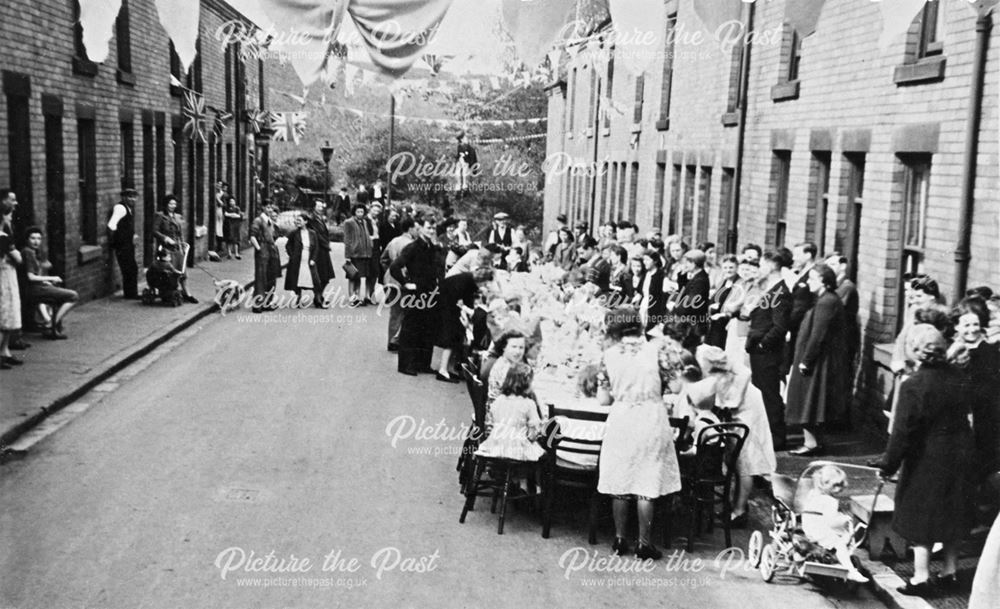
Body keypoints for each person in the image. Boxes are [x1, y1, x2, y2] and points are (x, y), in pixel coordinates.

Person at [877, 325, 977, 598]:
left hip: (928, 456)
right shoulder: (959, 377)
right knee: (953, 510)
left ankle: (921, 577)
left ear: (915, 350)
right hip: (960, 452)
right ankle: (950, 571)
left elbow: (903, 432)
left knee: (922, 513)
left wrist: (888, 464)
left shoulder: (913, 385)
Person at [597, 307, 687, 560]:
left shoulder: (608, 355)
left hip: (622, 417)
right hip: (650, 416)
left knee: (621, 479)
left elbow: (603, 398)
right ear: (639, 325)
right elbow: (677, 386)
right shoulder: (660, 348)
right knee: (646, 480)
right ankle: (643, 543)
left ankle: (619, 538)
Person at [694, 345, 776, 526]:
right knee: (733, 458)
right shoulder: (701, 355)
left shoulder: (724, 365)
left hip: (747, 408)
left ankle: (739, 511)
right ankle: (735, 505)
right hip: (736, 408)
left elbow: (744, 374)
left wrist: (733, 400)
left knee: (744, 460)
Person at [786, 264, 849, 455]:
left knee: (808, 401)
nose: (807, 282)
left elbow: (818, 334)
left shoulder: (826, 302)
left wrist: (806, 360)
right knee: (809, 401)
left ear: (823, 281)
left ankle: (811, 443)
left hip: (817, 362)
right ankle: (813, 442)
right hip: (816, 360)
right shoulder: (824, 299)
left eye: (812, 278)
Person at [951, 300, 1000, 491]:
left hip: (983, 419)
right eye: (966, 325)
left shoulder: (990, 353)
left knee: (980, 465)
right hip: (958, 418)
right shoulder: (952, 349)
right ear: (957, 326)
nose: (972, 329)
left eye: (975, 324)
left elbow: (990, 390)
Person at [746, 249, 792, 451]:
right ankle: (767, 434)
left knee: (770, 394)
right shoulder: (771, 289)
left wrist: (764, 344)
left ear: (772, 266)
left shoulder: (781, 292)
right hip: (759, 351)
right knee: (763, 393)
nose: (759, 269)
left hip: (767, 353)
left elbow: (780, 327)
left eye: (762, 265)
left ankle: (777, 437)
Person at [800, 465, 869, 582]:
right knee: (841, 543)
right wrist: (845, 519)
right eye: (835, 486)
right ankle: (851, 571)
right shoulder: (830, 501)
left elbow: (819, 514)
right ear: (825, 484)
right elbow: (832, 522)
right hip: (819, 531)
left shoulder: (812, 494)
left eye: (840, 486)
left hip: (809, 526)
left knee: (839, 535)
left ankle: (835, 558)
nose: (838, 490)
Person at [389, 216, 440, 376]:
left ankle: (423, 363)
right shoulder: (412, 247)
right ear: (420, 229)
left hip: (430, 292)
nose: (431, 231)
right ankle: (406, 365)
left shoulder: (432, 247)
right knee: (411, 328)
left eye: (433, 228)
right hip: (415, 294)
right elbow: (395, 267)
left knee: (427, 328)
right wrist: (406, 283)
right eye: (428, 228)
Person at [475, 363, 546, 461]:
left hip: (496, 444)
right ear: (527, 384)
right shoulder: (529, 404)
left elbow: (491, 421)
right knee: (543, 453)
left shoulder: (499, 399)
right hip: (516, 450)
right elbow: (532, 435)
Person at [436, 267, 495, 383]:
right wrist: (466, 312)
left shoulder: (469, 279)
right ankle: (442, 371)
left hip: (446, 302)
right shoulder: (468, 282)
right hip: (446, 304)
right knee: (452, 336)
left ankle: (445, 369)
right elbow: (460, 299)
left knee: (454, 335)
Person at [22, 227, 79, 340]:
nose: (36, 241)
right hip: (33, 289)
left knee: (60, 295)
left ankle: (51, 325)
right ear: (27, 239)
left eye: (38, 238)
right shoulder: (28, 252)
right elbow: (30, 277)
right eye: (32, 238)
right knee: (73, 296)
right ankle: (51, 326)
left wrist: (45, 281)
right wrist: (52, 277)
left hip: (37, 287)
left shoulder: (33, 252)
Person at [380, 216, 417, 352]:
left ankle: (392, 340)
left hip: (390, 280)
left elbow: (383, 258)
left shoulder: (394, 241)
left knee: (394, 312)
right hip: (403, 280)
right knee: (404, 312)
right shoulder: (411, 244)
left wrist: (389, 270)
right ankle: (397, 340)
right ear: (411, 228)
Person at [152, 194, 197, 303]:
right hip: (165, 249)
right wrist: (165, 238)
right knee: (169, 271)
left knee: (182, 271)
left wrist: (182, 245)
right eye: (170, 203)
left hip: (177, 248)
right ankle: (168, 293)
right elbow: (154, 231)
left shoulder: (178, 216)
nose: (172, 206)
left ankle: (187, 293)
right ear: (166, 204)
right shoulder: (160, 215)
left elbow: (180, 233)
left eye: (174, 204)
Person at [786, 242, 818, 372]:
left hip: (801, 326)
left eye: (797, 255)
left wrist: (786, 325)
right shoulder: (801, 272)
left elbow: (801, 306)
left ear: (808, 255)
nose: (794, 258)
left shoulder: (813, 274)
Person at [826, 253, 859, 373]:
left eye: (833, 264)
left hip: (844, 338)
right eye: (827, 265)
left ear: (843, 266)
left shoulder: (847, 287)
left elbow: (832, 307)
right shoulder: (834, 285)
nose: (829, 268)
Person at [0, 200, 23, 369]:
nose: (11, 218)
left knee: (6, 316)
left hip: (6, 276)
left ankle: (5, 351)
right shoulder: (3, 238)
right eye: (9, 214)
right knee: (5, 315)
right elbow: (18, 258)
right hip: (4, 278)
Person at [667, 249, 710, 337]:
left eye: (687, 262)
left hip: (695, 323)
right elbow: (683, 290)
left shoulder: (700, 280)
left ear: (694, 264)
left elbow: (689, 302)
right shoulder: (697, 277)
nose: (685, 265)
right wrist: (682, 275)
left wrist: (674, 307)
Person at [107, 188, 140, 299]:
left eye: (134, 197)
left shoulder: (127, 209)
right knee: (129, 268)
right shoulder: (121, 208)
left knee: (131, 268)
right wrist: (116, 241)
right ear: (123, 198)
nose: (133, 199)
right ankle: (131, 294)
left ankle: (131, 293)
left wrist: (132, 235)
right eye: (130, 197)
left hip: (127, 244)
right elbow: (111, 225)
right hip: (123, 245)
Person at [249, 204, 281, 313]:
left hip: (272, 249)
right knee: (261, 277)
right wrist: (259, 249)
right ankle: (257, 304)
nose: (270, 210)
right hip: (263, 249)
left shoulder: (270, 221)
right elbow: (252, 236)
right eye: (267, 207)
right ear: (263, 208)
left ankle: (267, 302)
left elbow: (274, 236)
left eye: (271, 208)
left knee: (271, 277)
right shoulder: (258, 220)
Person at [283, 212, 320, 306]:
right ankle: (298, 297)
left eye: (299, 220)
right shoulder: (294, 233)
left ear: (306, 221)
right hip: (298, 259)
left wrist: (313, 259)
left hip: (309, 258)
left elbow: (316, 248)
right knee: (297, 278)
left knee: (315, 279)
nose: (297, 222)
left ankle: (318, 298)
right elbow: (288, 246)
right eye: (296, 220)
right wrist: (292, 255)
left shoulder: (312, 233)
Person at [343, 203, 374, 306]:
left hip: (364, 254)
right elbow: (347, 240)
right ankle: (352, 297)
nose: (360, 214)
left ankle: (357, 296)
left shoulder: (364, 222)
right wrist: (347, 256)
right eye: (358, 212)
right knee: (352, 276)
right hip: (354, 254)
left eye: (362, 211)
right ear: (354, 212)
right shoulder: (349, 222)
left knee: (360, 276)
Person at [305, 200, 334, 307]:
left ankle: (319, 295)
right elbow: (316, 234)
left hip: (324, 250)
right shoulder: (312, 219)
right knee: (320, 275)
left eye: (322, 206)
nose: (321, 208)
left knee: (326, 276)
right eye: (319, 206)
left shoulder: (320, 218)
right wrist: (326, 244)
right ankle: (318, 297)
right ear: (314, 207)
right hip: (318, 250)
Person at [706, 254, 739, 348]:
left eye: (731, 267)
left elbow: (737, 305)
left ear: (737, 268)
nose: (728, 270)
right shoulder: (722, 282)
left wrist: (724, 313)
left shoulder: (739, 284)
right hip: (715, 323)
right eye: (725, 267)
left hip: (727, 324)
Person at [638, 250, 666, 331]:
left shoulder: (660, 275)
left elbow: (661, 297)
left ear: (655, 261)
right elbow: (641, 291)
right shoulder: (646, 274)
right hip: (644, 305)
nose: (644, 262)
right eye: (644, 260)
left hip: (654, 308)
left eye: (647, 260)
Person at [222, 195, 243, 259]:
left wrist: (232, 215)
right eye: (230, 201)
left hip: (235, 226)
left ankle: (236, 253)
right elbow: (225, 214)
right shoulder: (227, 208)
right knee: (229, 239)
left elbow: (239, 216)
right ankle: (229, 253)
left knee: (236, 240)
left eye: (233, 201)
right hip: (228, 226)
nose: (231, 202)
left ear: (235, 202)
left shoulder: (237, 208)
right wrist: (233, 215)